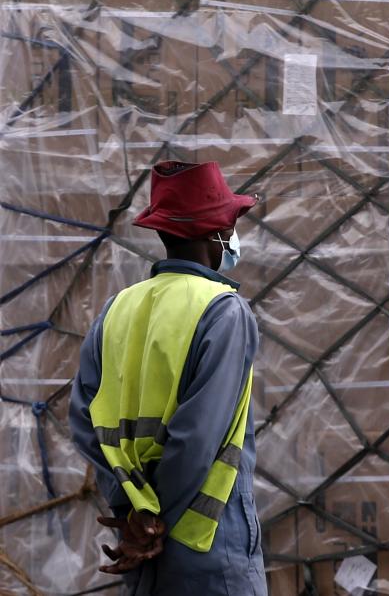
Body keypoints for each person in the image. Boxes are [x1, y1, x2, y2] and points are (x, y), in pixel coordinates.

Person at [68, 160, 267, 595]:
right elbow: (196, 438)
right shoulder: (223, 311)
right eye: (231, 223)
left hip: (140, 542)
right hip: (207, 541)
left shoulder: (117, 309)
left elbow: (85, 422)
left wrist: (133, 512)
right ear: (215, 232)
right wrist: (158, 523)